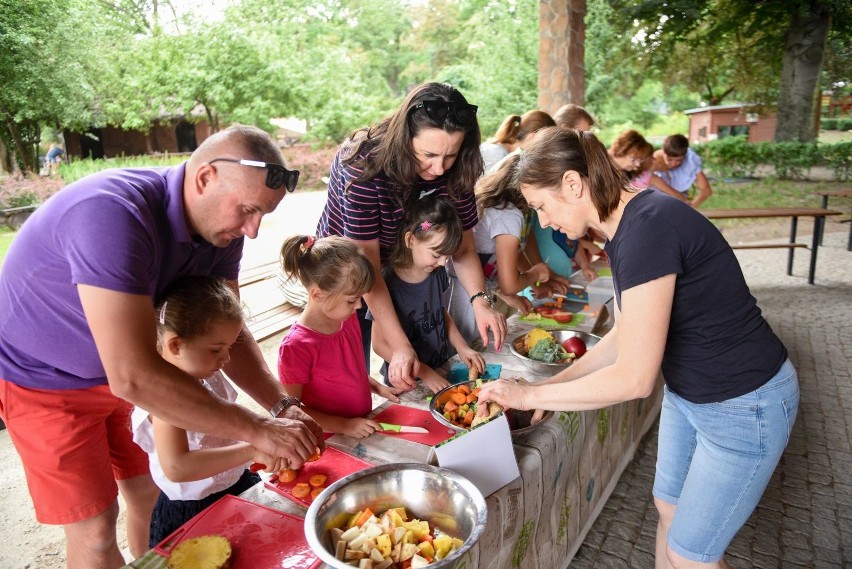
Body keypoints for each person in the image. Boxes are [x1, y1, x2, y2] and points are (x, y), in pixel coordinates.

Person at [0, 124, 323, 569]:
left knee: (148, 495)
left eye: (262, 215)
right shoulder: (112, 214)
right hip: (47, 380)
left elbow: (230, 329)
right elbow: (132, 374)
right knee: (95, 530)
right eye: (247, 210)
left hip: (136, 374)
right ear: (205, 176)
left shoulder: (218, 233)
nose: (252, 230)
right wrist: (255, 431)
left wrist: (281, 407)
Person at [477, 127, 798, 568]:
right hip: (691, 395)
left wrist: (531, 394)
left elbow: (635, 377)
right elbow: (624, 336)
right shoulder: (629, 227)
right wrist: (553, 389)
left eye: (541, 207)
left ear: (573, 184)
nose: (544, 221)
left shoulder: (649, 228)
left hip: (743, 404)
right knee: (668, 510)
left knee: (692, 557)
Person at [316, 82, 505, 391]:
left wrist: (479, 300)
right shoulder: (363, 167)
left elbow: (464, 247)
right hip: (348, 271)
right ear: (405, 139)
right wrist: (401, 346)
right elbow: (368, 270)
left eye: (450, 156)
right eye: (428, 154)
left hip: (400, 263)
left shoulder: (459, 167)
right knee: (350, 375)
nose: (439, 168)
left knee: (407, 342)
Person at [131, 276, 286, 547]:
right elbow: (178, 466)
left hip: (237, 486)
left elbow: (222, 435)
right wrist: (253, 449)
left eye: (229, 347)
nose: (226, 359)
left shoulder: (206, 374)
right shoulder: (167, 396)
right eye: (216, 349)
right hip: (194, 509)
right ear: (175, 345)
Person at [277, 235, 402, 437]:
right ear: (318, 294)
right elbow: (292, 411)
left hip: (360, 428)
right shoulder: (295, 347)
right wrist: (344, 426)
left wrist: (376, 386)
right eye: (352, 300)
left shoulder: (346, 318)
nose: (359, 306)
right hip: (328, 440)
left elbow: (347, 373)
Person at [371, 197, 485, 393]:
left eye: (447, 256)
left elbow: (441, 314)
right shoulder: (387, 283)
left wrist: (462, 347)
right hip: (407, 382)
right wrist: (424, 372)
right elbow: (379, 345)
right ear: (410, 240)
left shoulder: (436, 272)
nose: (442, 263)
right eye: (436, 254)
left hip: (439, 368)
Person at [449, 156, 552, 342]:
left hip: (461, 291)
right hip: (468, 299)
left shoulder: (490, 207)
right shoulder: (509, 215)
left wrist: (504, 294)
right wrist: (535, 273)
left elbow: (485, 262)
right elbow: (510, 283)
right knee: (472, 348)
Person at [531, 104, 598, 282]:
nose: (586, 142)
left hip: (564, 266)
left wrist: (584, 264)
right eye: (582, 134)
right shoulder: (546, 176)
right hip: (544, 272)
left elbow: (572, 235)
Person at [608, 129, 684, 201]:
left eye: (640, 160)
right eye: (634, 159)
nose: (637, 165)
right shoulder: (602, 168)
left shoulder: (623, 174)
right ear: (623, 151)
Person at [479, 110, 555, 172]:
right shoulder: (496, 153)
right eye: (546, 141)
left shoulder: (505, 153)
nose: (545, 150)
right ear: (534, 135)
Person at [653, 134, 713, 208]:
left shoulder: (690, 161)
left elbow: (706, 191)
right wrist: (677, 195)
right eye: (669, 159)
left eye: (678, 160)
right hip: (658, 200)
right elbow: (651, 180)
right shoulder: (654, 160)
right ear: (664, 152)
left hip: (679, 200)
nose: (673, 164)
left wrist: (690, 208)